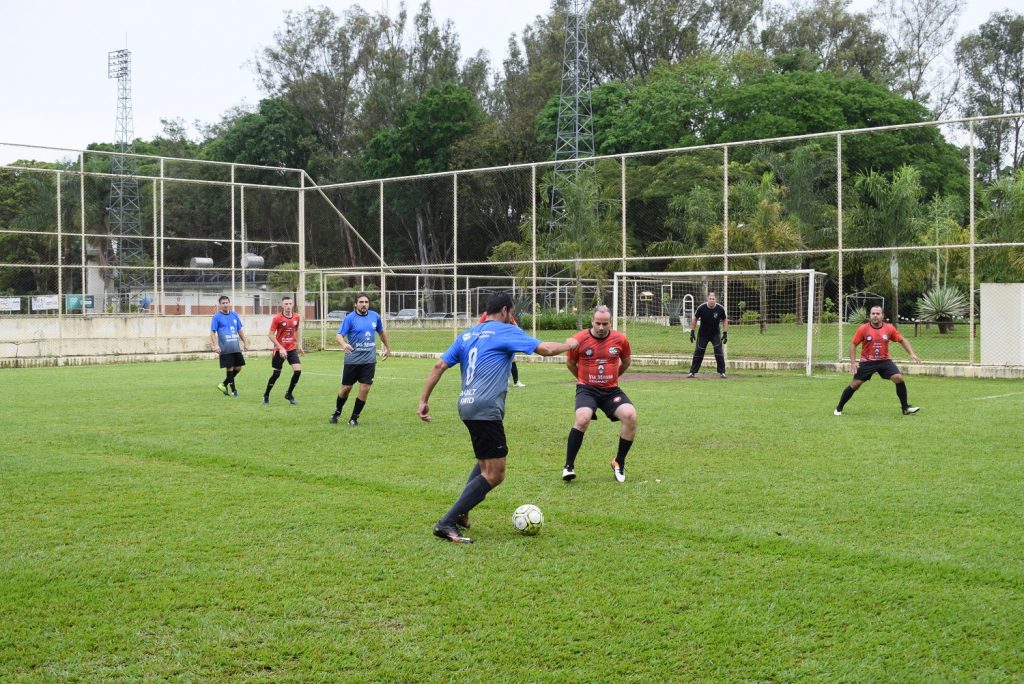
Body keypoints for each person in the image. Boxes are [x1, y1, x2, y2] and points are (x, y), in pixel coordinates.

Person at [418, 292, 579, 543]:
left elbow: (439, 365)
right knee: (495, 473)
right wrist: (570, 344)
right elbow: (546, 349)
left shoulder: (468, 334)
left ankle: (461, 513)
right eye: (512, 313)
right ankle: (446, 522)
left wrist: (423, 400)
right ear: (505, 311)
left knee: (485, 462)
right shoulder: (505, 331)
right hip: (485, 407)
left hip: (466, 405)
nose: (512, 317)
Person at [562, 305, 637, 483]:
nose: (601, 327)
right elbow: (570, 364)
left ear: (610, 322)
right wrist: (583, 379)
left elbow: (626, 361)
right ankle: (568, 467)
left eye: (605, 323)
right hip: (587, 389)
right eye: (598, 323)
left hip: (611, 390)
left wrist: (613, 378)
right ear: (592, 321)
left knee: (631, 416)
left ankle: (618, 462)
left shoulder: (620, 339)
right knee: (582, 419)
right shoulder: (579, 339)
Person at [835, 305, 922, 416]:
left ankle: (905, 408)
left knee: (898, 378)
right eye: (873, 313)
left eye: (878, 313)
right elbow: (853, 344)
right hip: (867, 362)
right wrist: (853, 362)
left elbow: (902, 340)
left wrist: (911, 353)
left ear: (882, 315)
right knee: (855, 384)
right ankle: (839, 408)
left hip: (884, 361)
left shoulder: (889, 328)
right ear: (870, 315)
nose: (875, 316)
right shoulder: (863, 329)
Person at [331, 292, 391, 426]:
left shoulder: (375, 316)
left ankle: (354, 418)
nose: (364, 304)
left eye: (366, 302)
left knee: (365, 388)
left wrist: (388, 348)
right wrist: (344, 344)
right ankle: (337, 411)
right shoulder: (350, 318)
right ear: (355, 304)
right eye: (361, 302)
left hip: (369, 360)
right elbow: (339, 335)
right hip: (352, 360)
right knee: (346, 389)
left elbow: (381, 333)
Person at [264, 295, 304, 405]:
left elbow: (296, 330)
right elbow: (270, 335)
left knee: (298, 371)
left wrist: (299, 344)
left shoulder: (297, 317)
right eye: (286, 304)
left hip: (291, 348)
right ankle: (266, 395)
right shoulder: (277, 318)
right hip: (279, 350)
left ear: (293, 305)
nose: (288, 306)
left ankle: (289, 394)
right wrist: (280, 348)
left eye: (290, 304)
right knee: (276, 374)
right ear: (282, 305)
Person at [209, 295, 249, 397]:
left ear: (229, 303)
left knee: (238, 368)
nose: (225, 305)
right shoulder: (216, 317)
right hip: (225, 348)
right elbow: (212, 332)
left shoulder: (234, 315)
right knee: (230, 368)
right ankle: (234, 391)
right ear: (220, 305)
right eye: (223, 303)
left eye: (227, 302)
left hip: (235, 346)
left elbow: (239, 329)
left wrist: (245, 342)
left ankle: (223, 384)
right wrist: (216, 345)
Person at [479, 310, 526, 387]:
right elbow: (479, 327)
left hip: (505, 339)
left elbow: (515, 325)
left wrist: (519, 334)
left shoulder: (506, 314)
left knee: (511, 359)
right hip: (491, 341)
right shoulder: (486, 314)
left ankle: (516, 381)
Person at [688, 291, 729, 378]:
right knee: (698, 352)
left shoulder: (720, 309)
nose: (711, 300)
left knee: (719, 352)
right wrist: (692, 332)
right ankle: (692, 372)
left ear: (715, 299)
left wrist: (725, 333)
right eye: (710, 299)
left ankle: (722, 372)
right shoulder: (701, 308)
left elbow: (725, 320)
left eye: (713, 299)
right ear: (707, 299)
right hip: (703, 334)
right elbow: (695, 319)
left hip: (715, 334)